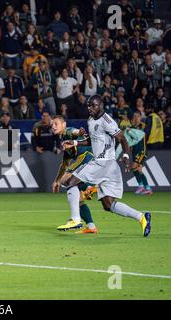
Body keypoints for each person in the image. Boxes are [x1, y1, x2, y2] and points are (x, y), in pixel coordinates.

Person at [61, 94, 152, 237]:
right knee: (108, 205)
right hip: (109, 168)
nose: (90, 108)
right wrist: (76, 142)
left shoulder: (107, 121)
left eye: (94, 106)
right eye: (89, 106)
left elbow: (122, 139)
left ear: (101, 105)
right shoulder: (91, 120)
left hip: (102, 163)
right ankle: (141, 217)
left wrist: (126, 156)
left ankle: (75, 219)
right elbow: (93, 139)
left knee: (69, 182)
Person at [51, 115, 98, 234]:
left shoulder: (68, 131)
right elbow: (64, 164)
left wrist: (80, 132)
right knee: (78, 200)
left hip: (87, 156)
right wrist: (56, 181)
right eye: (52, 124)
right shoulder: (64, 141)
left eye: (56, 123)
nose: (53, 126)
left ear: (64, 124)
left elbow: (77, 132)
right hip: (86, 160)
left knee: (66, 179)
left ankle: (89, 188)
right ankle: (91, 226)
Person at [115, 124, 152, 195]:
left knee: (135, 167)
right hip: (136, 152)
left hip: (141, 150)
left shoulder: (129, 132)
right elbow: (120, 149)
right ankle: (144, 187)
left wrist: (129, 131)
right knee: (136, 169)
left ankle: (145, 187)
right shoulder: (123, 138)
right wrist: (115, 158)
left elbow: (138, 137)